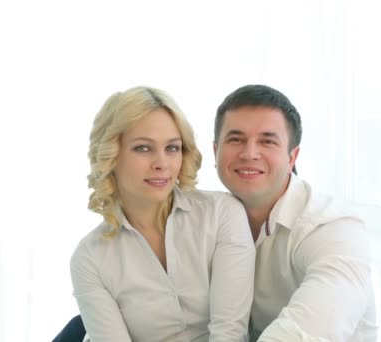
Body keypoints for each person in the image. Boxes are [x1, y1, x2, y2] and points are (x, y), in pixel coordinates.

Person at [68, 86, 256, 342]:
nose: (162, 163)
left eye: (172, 148)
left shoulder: (222, 214)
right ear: (111, 154)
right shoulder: (90, 258)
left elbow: (229, 332)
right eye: (143, 148)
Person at [213, 84, 378, 341]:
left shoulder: (334, 226)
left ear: (292, 157)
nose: (249, 153)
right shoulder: (208, 218)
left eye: (267, 141)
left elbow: (304, 333)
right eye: (236, 139)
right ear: (215, 151)